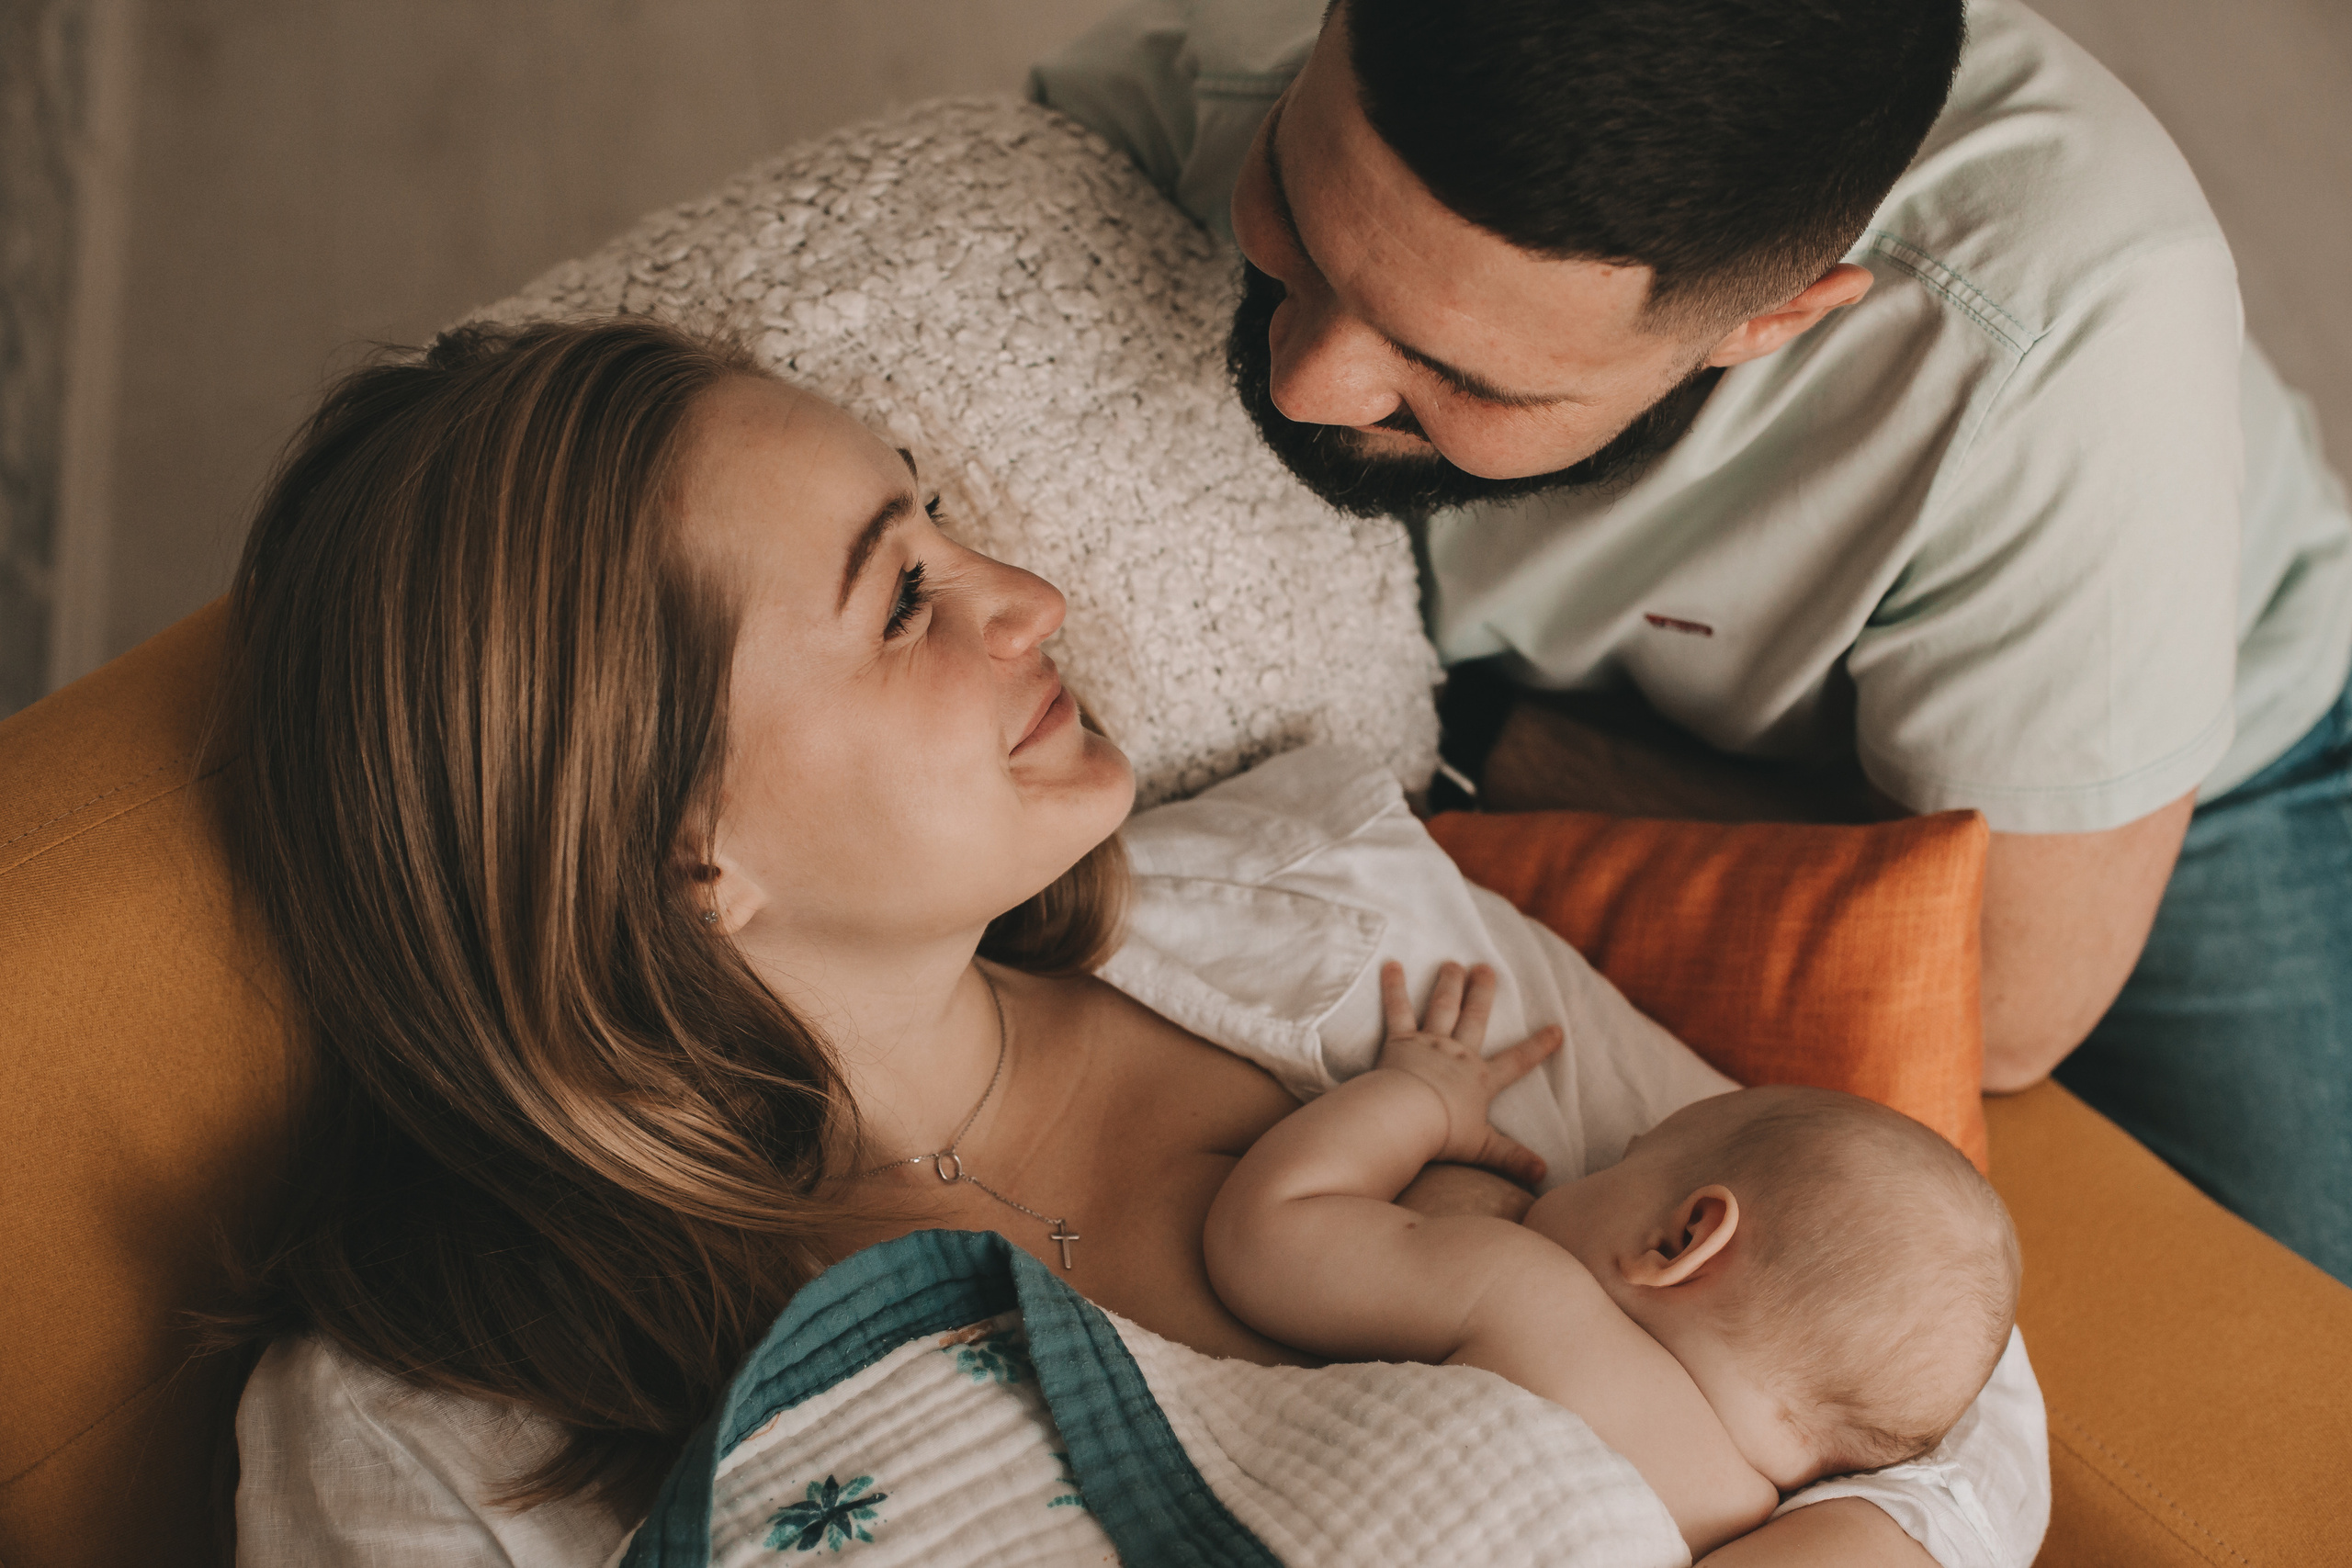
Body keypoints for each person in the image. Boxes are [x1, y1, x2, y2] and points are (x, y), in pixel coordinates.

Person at [223, 316, 2041, 1567]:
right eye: (900, 596)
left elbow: (1904, 1336)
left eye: (934, 509)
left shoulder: (1326, 915)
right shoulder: (431, 1417)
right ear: (681, 850)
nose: (1028, 596)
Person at [1031, 0, 2352, 1282]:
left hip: (2174, 775)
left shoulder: (2065, 333)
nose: (1304, 376)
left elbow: (2005, 995)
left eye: (1467, 377)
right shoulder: (1179, 109)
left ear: (1771, 323)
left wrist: (1460, 734)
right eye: (1299, 222)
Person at [1208, 962, 2022, 1560]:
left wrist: (1421, 1099)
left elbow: (1262, 1235)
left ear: (1679, 1242)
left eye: (1620, 1162)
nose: (1587, 1166)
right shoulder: (1745, 1520)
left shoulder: (1527, 1291)